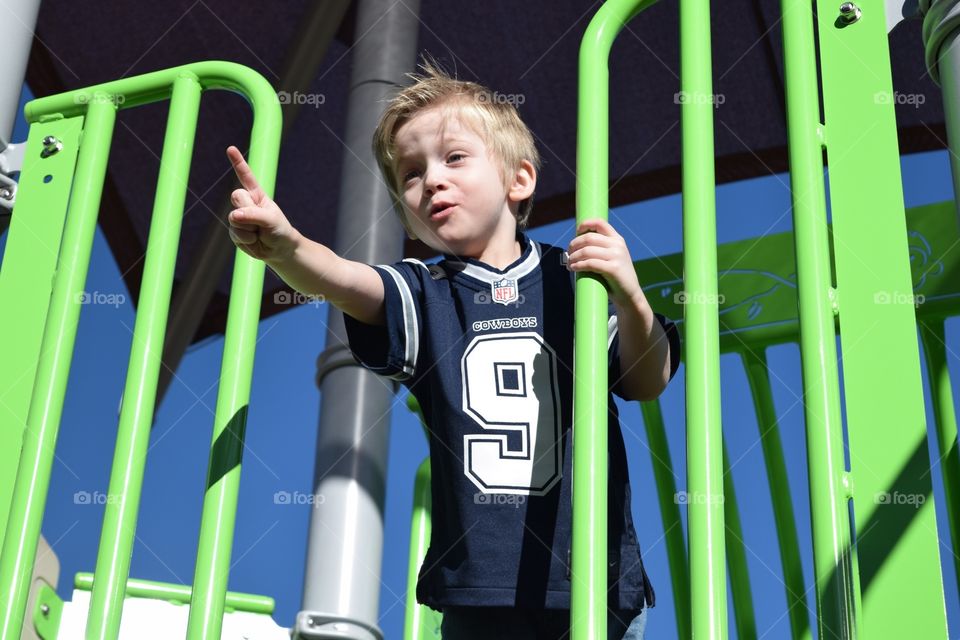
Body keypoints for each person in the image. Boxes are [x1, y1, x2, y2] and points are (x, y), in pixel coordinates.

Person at [225, 59, 680, 640]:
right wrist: (287, 249)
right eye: (410, 175)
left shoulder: (577, 284)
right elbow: (344, 278)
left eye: (454, 158)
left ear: (519, 180)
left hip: (596, 580)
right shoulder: (425, 292)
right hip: (480, 592)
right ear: (408, 217)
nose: (431, 180)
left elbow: (648, 378)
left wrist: (632, 296)